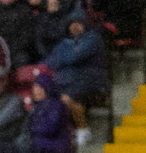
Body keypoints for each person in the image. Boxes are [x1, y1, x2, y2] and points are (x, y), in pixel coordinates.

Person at [44, 10, 106, 144]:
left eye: (79, 23)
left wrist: (64, 58)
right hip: (67, 81)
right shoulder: (64, 42)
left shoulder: (93, 38)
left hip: (90, 81)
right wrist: (67, 57)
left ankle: (83, 129)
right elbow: (51, 62)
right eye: (72, 23)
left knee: (67, 98)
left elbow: (74, 57)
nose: (75, 26)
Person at [15, 72, 72, 153]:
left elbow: (50, 129)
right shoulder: (36, 106)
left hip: (55, 146)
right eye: (35, 87)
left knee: (16, 147)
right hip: (39, 144)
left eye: (40, 87)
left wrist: (30, 130)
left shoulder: (56, 105)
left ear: (47, 88)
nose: (36, 91)